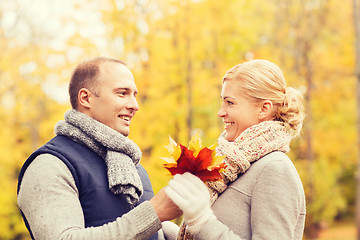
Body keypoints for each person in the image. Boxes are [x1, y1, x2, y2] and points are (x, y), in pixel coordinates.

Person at [17, 57, 182, 240]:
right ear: (86, 98)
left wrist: (172, 232)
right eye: (122, 93)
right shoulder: (49, 165)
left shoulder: (132, 166)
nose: (135, 105)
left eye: (134, 94)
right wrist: (153, 214)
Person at [166, 59, 306, 240]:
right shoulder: (231, 167)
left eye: (230, 103)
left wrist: (202, 221)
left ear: (263, 109)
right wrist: (166, 232)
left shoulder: (275, 169)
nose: (221, 112)